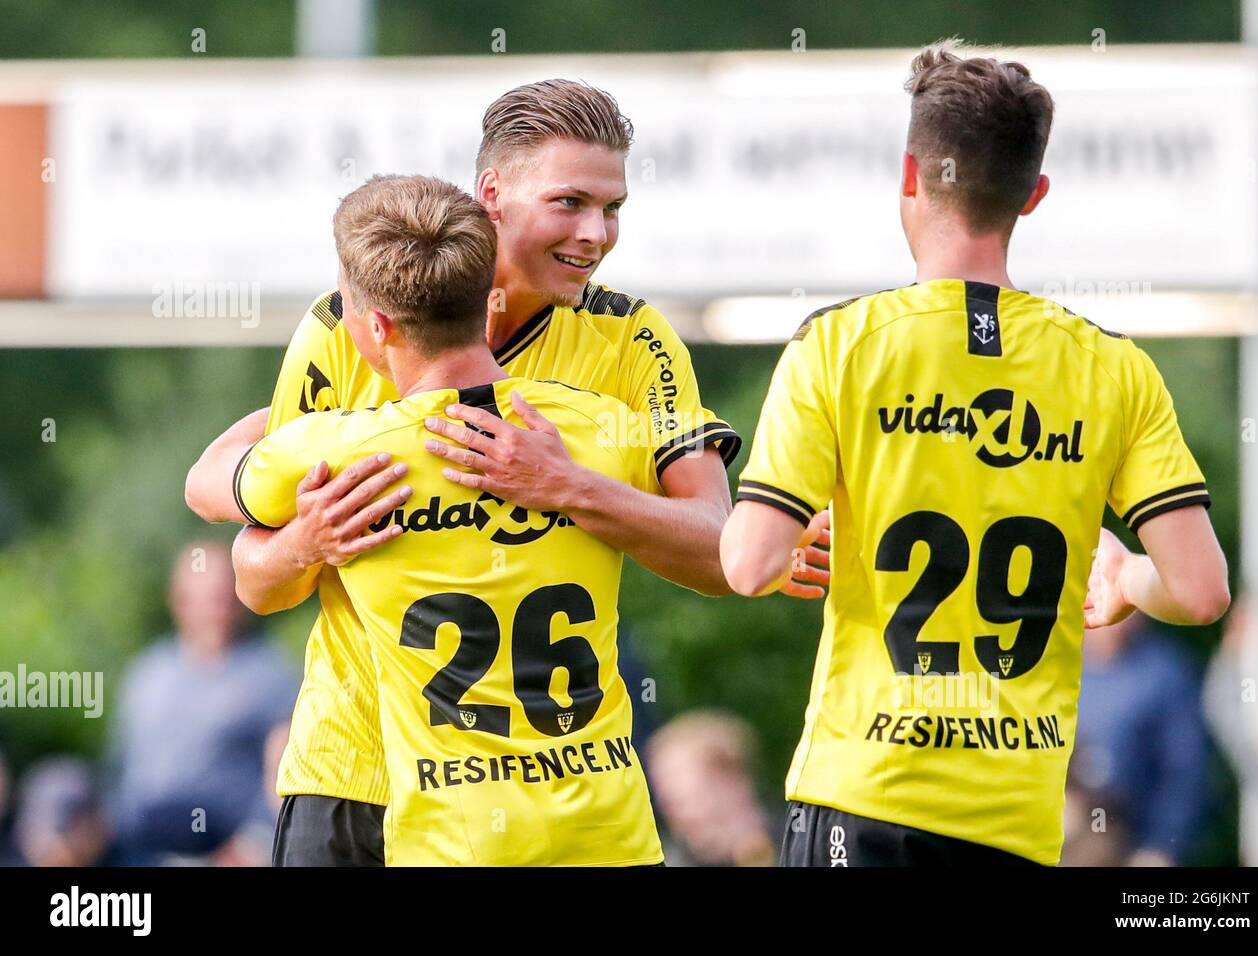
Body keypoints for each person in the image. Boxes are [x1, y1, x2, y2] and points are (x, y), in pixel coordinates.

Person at [184, 79, 819, 866]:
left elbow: (719, 552)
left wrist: (570, 487)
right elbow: (257, 575)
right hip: (354, 774)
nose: (597, 233)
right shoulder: (356, 320)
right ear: (493, 193)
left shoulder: (633, 342)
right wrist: (307, 542)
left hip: (546, 801)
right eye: (570, 203)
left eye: (613, 208)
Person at [719, 40, 1230, 867]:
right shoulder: (1114, 368)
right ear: (1034, 195)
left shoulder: (838, 346)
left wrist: (791, 544)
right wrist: (1128, 578)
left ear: (912, 177)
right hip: (1015, 821)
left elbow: (746, 566)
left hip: (861, 796)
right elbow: (1203, 592)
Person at [223, 174, 665, 864]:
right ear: (488, 296)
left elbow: (213, 480)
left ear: (374, 327)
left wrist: (306, 515)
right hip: (607, 834)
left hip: (443, 834)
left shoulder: (338, 451)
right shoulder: (599, 427)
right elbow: (725, 541)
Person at [108, 542, 296, 860]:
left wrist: (256, 842)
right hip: (142, 849)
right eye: (207, 598)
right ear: (178, 601)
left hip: (230, 851)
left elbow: (288, 778)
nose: (217, 608)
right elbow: (120, 770)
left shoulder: (272, 677)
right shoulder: (147, 674)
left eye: (225, 595)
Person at [1074, 613, 1211, 865]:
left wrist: (1162, 846)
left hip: (1131, 841)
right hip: (1067, 833)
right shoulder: (1052, 668)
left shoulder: (1165, 674)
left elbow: (1185, 770)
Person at [645, 711, 778, 866]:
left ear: (729, 777)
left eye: (674, 776)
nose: (665, 803)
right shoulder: (670, 859)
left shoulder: (799, 843)